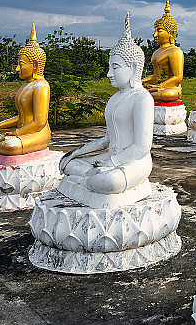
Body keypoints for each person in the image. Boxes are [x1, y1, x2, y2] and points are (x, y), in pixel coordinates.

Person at [59, 13, 153, 199]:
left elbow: (142, 148)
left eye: (115, 67)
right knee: (66, 164)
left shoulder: (142, 98)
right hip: (110, 157)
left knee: (110, 181)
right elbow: (106, 140)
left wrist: (111, 163)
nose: (109, 74)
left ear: (133, 68)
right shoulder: (114, 99)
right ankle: (90, 180)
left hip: (134, 162)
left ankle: (87, 182)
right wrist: (75, 154)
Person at [0, 24, 50, 156]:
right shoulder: (26, 86)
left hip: (37, 133)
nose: (17, 69)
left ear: (35, 65)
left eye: (21, 64)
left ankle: (1, 146)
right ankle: (0, 144)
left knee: (9, 146)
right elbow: (21, 117)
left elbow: (39, 122)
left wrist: (16, 133)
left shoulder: (42, 87)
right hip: (22, 131)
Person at [142, 0, 184, 102]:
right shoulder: (156, 52)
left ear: (171, 33)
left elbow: (177, 78)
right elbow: (156, 76)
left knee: (167, 94)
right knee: (137, 90)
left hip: (170, 89)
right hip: (157, 87)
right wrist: (140, 82)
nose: (155, 35)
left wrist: (159, 86)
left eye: (159, 31)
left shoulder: (175, 51)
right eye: (155, 31)